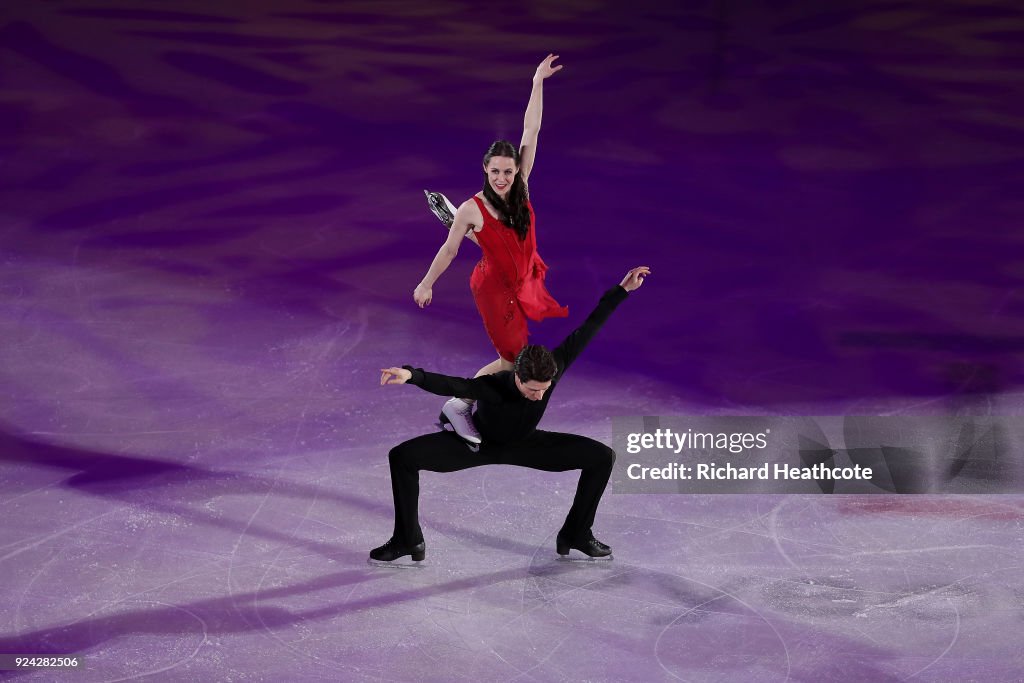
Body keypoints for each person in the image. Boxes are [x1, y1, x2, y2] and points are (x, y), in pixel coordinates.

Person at [371, 266, 650, 563]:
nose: (539, 395)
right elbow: (453, 384)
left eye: (544, 389)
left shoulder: (553, 368)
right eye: (532, 390)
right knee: (402, 457)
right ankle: (407, 540)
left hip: (526, 445)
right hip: (477, 445)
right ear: (518, 377)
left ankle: (577, 533)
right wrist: (411, 375)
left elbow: (589, 328)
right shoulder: (494, 386)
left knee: (602, 457)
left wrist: (621, 291)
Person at [413, 54, 568, 445]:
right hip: (494, 288)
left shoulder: (522, 188)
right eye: (495, 171)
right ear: (486, 169)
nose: (502, 177)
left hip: (522, 276)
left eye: (508, 171)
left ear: (516, 171)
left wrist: (537, 81)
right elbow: (448, 251)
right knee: (512, 360)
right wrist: (426, 283)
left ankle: (464, 404)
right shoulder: (472, 207)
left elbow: (531, 131)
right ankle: (459, 404)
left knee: (511, 359)